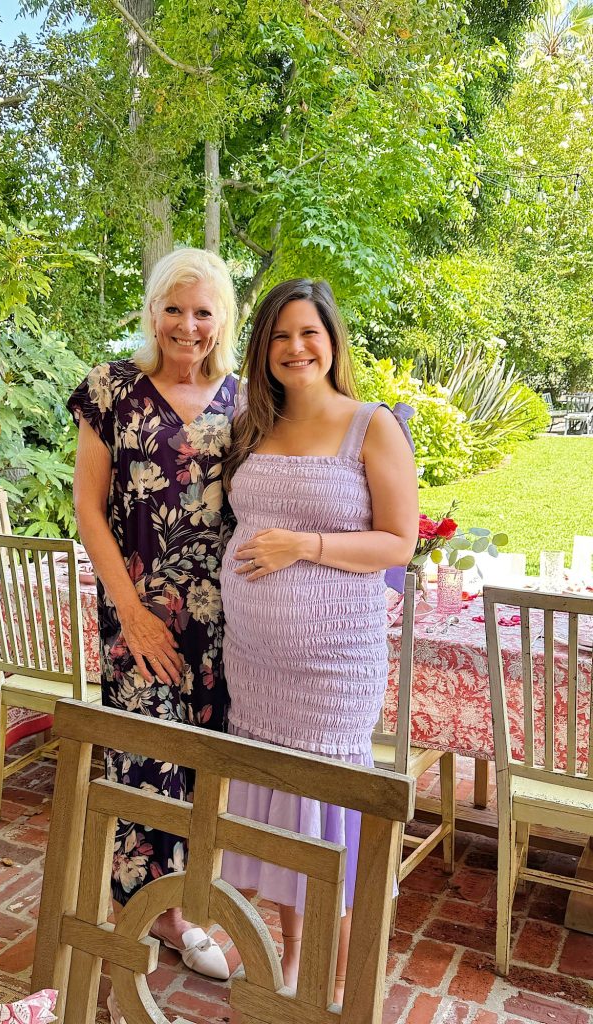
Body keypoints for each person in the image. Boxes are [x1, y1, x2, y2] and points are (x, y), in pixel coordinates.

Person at [219, 278, 418, 1002]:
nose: (296, 348)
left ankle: (337, 976)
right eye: (280, 336)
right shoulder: (251, 424)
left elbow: (399, 542)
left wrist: (303, 545)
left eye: (309, 333)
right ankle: (293, 957)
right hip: (256, 665)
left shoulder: (371, 426)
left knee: (328, 817)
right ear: (263, 348)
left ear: (332, 341)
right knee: (278, 809)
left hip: (333, 669)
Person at [67, 248, 238, 1020]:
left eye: (204, 312)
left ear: (223, 320)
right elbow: (90, 511)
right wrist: (131, 611)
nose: (188, 326)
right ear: (153, 311)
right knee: (142, 773)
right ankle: (131, 936)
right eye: (175, 308)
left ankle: (178, 916)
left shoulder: (246, 403)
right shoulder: (111, 390)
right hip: (138, 625)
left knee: (201, 775)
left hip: (220, 626)